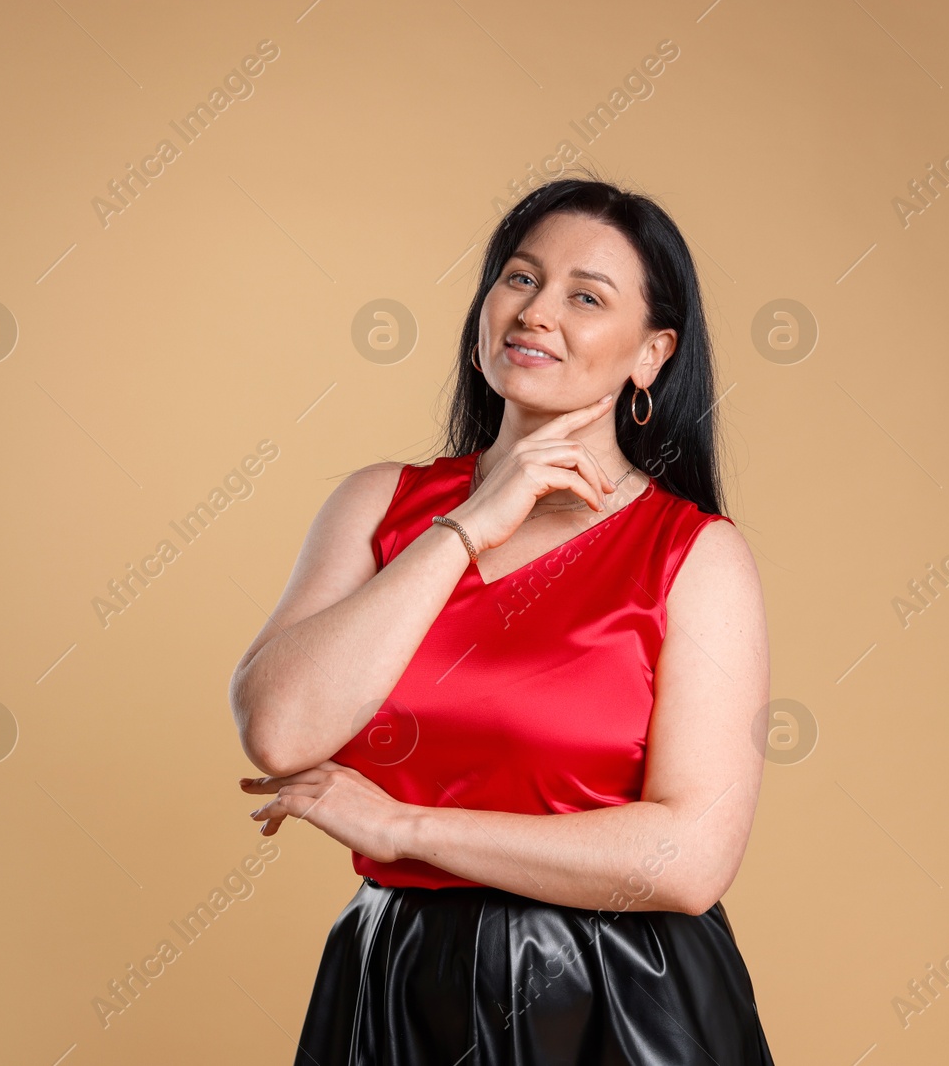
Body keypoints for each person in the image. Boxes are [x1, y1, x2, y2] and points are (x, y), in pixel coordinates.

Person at [228, 176, 775, 1064]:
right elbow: (280, 729)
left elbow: (687, 857)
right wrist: (470, 525)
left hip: (617, 997)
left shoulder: (693, 554)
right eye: (519, 279)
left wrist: (406, 830)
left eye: (585, 297)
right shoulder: (382, 505)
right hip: (395, 982)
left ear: (651, 353)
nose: (535, 312)